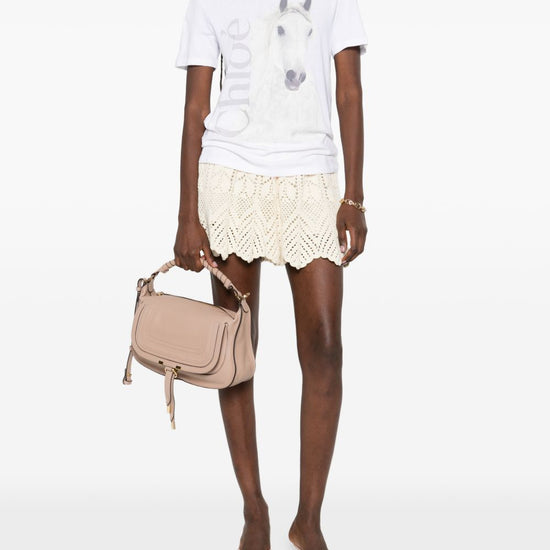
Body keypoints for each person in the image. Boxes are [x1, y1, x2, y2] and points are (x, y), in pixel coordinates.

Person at [173, 1, 368, 548]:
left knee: (325, 348)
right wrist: (187, 214)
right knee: (236, 349)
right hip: (230, 174)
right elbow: (195, 107)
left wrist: (354, 196)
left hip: (312, 175)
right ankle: (253, 507)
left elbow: (349, 92)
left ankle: (309, 521)